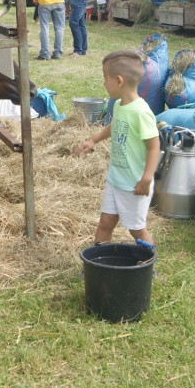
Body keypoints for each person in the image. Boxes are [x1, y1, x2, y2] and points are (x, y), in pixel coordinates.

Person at [73, 50, 161, 250]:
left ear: (119, 80)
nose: (104, 83)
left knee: (136, 229)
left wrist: (146, 179)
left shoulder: (141, 112)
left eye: (105, 78)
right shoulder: (120, 105)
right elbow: (114, 126)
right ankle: (99, 263)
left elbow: (154, 146)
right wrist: (93, 140)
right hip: (116, 180)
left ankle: (147, 265)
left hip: (134, 185)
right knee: (105, 223)